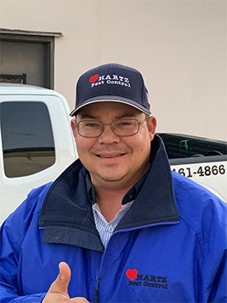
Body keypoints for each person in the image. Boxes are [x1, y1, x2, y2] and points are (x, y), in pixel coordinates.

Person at [0, 63, 226, 303]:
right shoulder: (35, 213)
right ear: (75, 131)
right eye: (92, 125)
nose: (108, 138)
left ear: (150, 129)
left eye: (125, 123)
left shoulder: (208, 221)